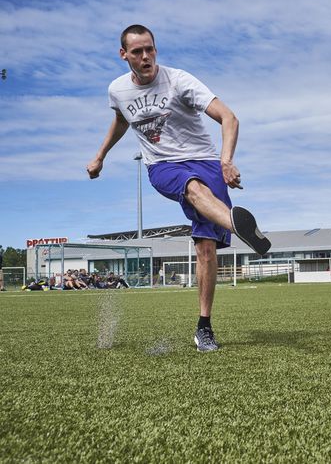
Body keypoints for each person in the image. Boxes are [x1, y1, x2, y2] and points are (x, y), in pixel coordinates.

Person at [87, 24, 271, 352]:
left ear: (155, 49)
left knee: (205, 249)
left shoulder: (179, 81)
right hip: (163, 167)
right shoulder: (117, 89)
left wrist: (226, 161)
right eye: (138, 52)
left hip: (205, 161)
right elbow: (121, 120)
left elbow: (229, 118)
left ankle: (204, 328)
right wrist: (100, 155)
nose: (146, 57)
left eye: (150, 49)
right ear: (123, 55)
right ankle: (238, 225)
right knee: (193, 189)